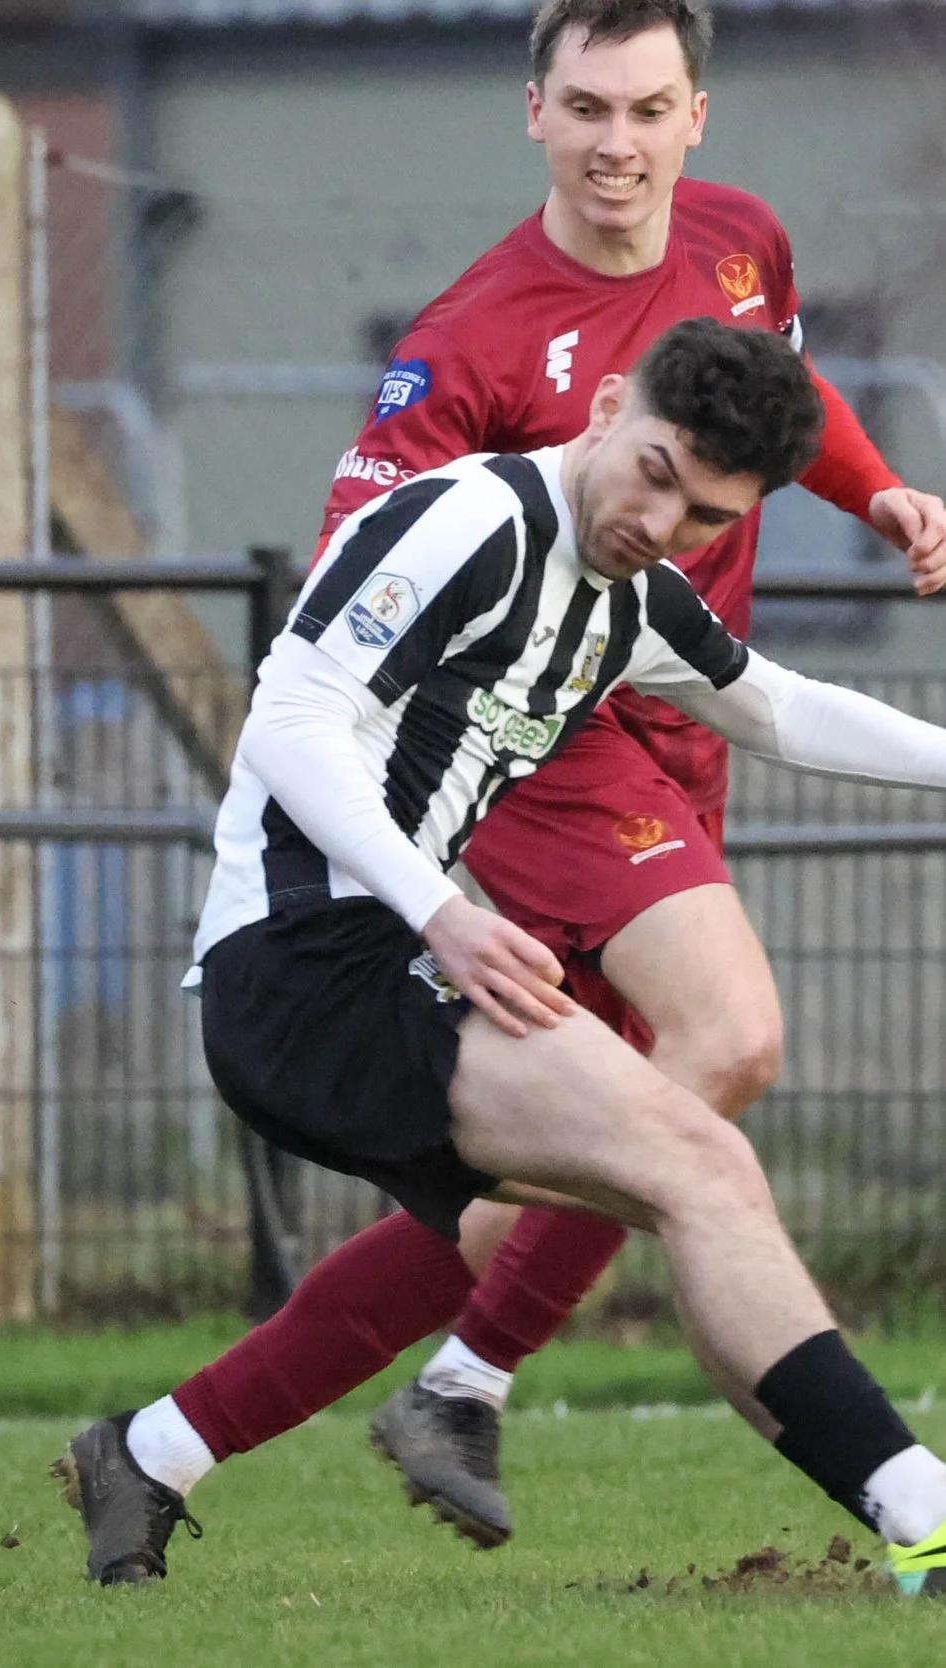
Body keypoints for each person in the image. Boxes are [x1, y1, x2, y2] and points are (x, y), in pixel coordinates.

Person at [177, 0, 946, 1551]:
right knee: (717, 1057)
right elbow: (335, 644)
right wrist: (429, 890)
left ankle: (174, 1440)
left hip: (679, 704)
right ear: (535, 111)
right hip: (548, 743)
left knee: (605, 1154)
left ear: (695, 120)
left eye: (648, 109)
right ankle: (475, 1378)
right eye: (587, 109)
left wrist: (876, 496)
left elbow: (778, 462)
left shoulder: (739, 247)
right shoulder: (467, 355)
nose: (617, 145)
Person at [55, 319, 946, 1600]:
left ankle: (151, 1453)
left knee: (686, 1193)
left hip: (372, 964)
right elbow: (290, 722)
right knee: (698, 1166)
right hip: (303, 968)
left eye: (704, 515)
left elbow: (780, 707)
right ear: (603, 405)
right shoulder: (466, 519)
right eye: (655, 471)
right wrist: (440, 911)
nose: (660, 521)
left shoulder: (628, 600)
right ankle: (916, 1514)